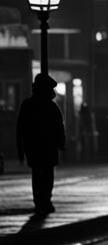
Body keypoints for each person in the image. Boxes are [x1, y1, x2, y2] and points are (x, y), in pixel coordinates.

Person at [16, 73, 66, 216]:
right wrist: (61, 143)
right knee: (47, 175)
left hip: (34, 147)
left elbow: (20, 128)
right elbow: (59, 127)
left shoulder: (28, 105)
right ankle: (45, 200)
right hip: (47, 147)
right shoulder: (51, 107)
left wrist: (21, 149)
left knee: (37, 175)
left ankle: (39, 201)